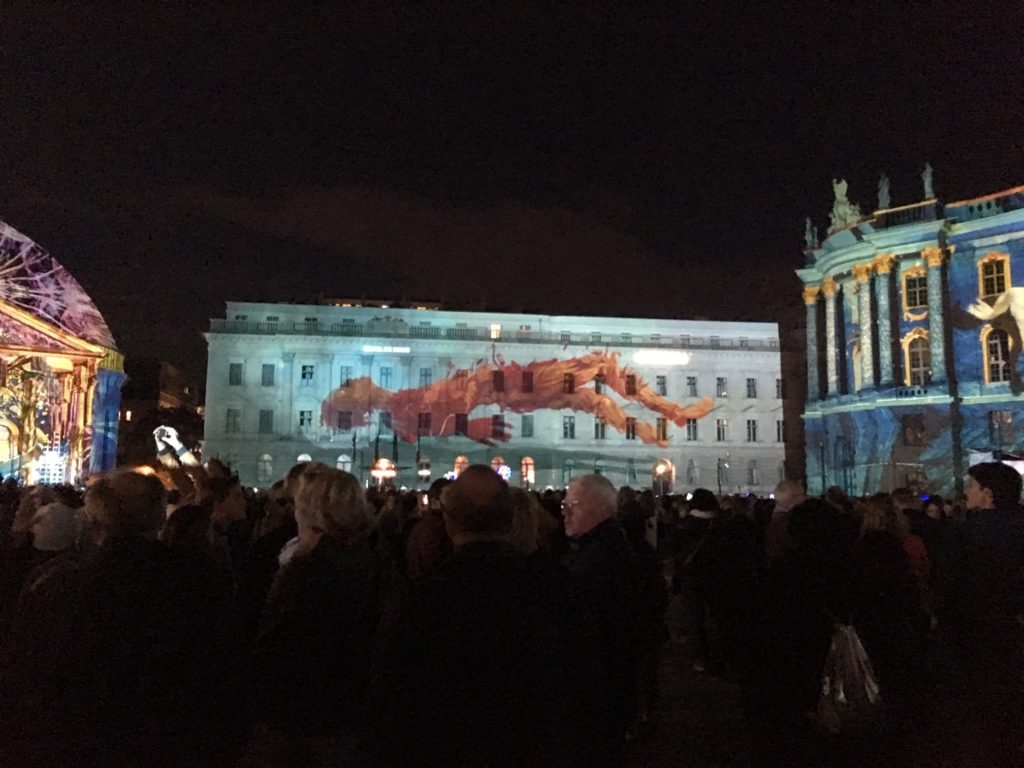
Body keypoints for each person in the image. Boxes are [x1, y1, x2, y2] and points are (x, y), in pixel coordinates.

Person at [0, 470, 246, 768]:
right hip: (168, 747)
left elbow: (23, 675)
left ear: (94, 525)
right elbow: (225, 676)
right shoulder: (199, 584)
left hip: (73, 746)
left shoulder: (57, 583)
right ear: (159, 519)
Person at [373, 465, 598, 767]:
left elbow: (392, 697)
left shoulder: (422, 596)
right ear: (509, 520)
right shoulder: (553, 587)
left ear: (450, 522)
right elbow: (582, 677)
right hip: (533, 748)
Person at [253, 463, 381, 764]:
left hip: (301, 719)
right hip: (349, 712)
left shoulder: (306, 569)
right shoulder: (371, 559)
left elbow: (275, 646)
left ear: (315, 513)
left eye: (298, 506)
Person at [929, 462, 1024, 763]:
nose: (966, 491)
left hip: (974, 632)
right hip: (1013, 626)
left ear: (987, 493)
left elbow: (946, 587)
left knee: (984, 704)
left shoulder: (963, 534)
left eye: (972, 485)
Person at [563, 474, 640, 762]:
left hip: (600, 684)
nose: (566, 512)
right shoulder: (599, 547)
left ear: (601, 509)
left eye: (574, 505)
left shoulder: (602, 556)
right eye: (565, 504)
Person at [765, 480, 805, 565]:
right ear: (793, 500)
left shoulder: (776, 520)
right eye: (801, 495)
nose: (804, 498)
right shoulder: (786, 522)